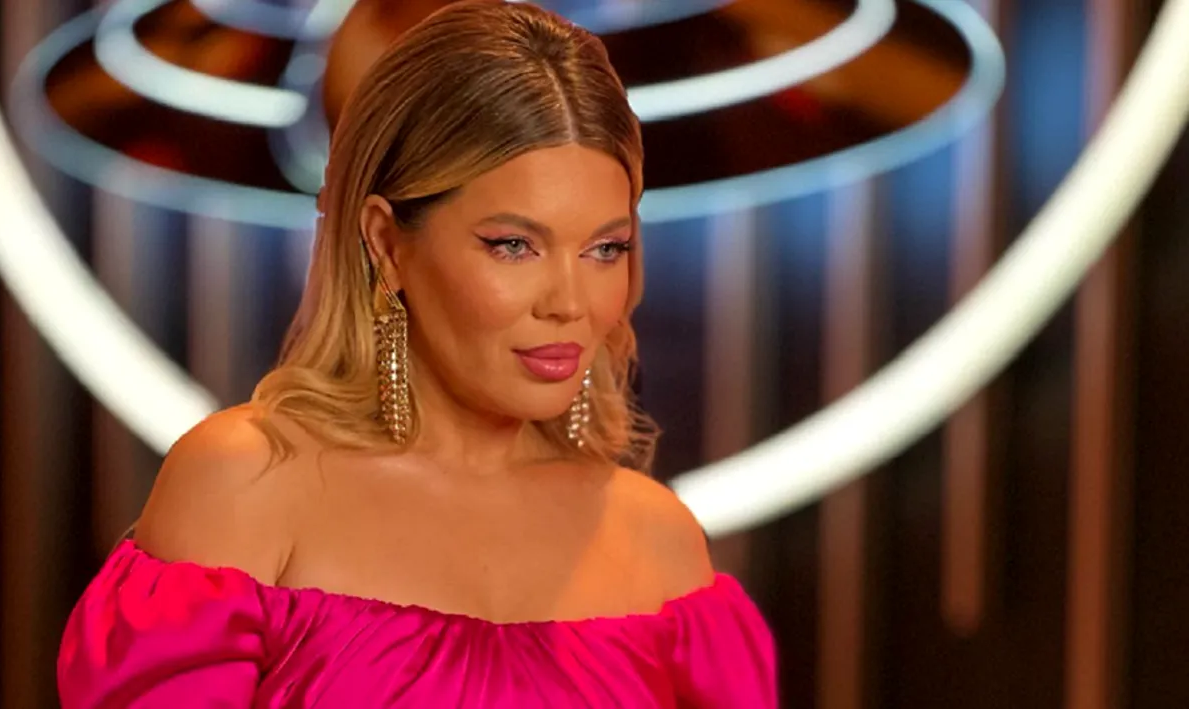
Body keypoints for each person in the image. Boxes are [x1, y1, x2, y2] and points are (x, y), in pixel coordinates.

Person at [56, 2, 778, 706]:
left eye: (605, 249)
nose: (569, 302)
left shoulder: (660, 544)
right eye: (513, 245)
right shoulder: (246, 482)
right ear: (386, 242)